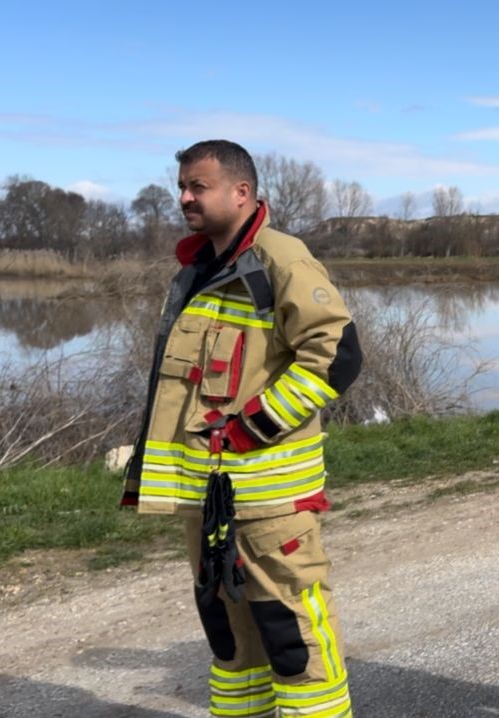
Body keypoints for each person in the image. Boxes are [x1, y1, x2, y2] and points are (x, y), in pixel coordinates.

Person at [121, 140, 362, 717]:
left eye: (196, 186)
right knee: (231, 644)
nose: (183, 197)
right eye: (181, 186)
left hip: (269, 500)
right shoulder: (198, 268)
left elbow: (338, 355)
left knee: (293, 642)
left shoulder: (281, 260)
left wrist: (251, 428)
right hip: (208, 498)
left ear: (241, 192)